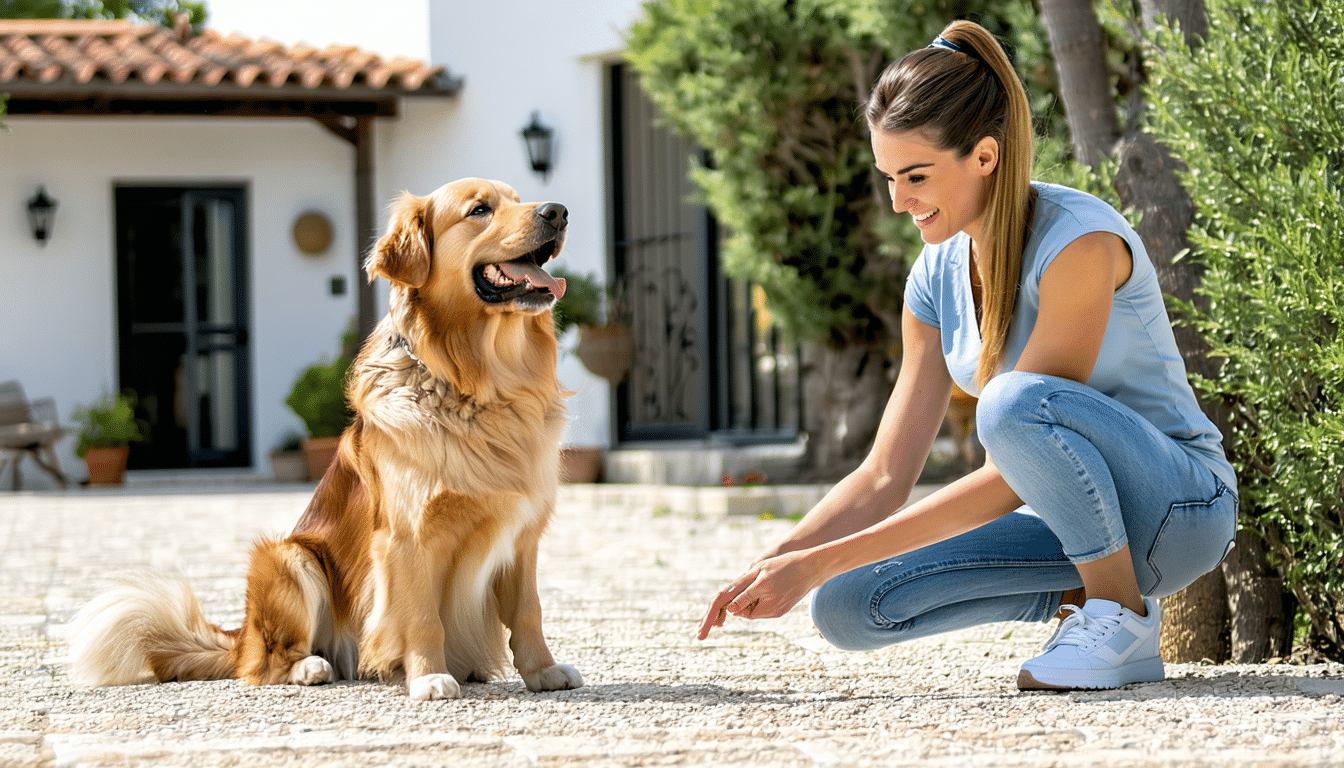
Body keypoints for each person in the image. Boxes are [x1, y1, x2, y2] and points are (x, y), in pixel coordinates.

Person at [696, 20, 1238, 691]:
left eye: (916, 175)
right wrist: (782, 559)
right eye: (888, 177)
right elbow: (885, 474)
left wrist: (819, 558)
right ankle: (1082, 606)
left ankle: (1117, 613)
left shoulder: (1078, 242)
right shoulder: (933, 277)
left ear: (985, 156)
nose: (898, 201)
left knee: (1011, 401)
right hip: (1070, 524)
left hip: (1178, 510)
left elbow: (1014, 461)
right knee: (845, 604)